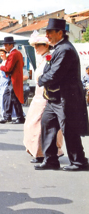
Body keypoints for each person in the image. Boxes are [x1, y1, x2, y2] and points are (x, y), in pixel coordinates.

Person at [34, 18, 89, 171]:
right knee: (47, 124)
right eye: (47, 32)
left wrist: (40, 80)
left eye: (50, 32)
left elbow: (54, 74)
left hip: (66, 97)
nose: (47, 35)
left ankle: (79, 162)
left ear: (60, 33)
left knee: (69, 129)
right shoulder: (60, 48)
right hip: (55, 97)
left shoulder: (65, 49)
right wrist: (45, 77)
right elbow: (50, 72)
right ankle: (51, 160)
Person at [23, 31, 64, 164]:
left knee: (42, 125)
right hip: (38, 96)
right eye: (35, 46)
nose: (36, 48)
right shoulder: (43, 59)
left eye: (39, 45)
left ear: (46, 45)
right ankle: (38, 152)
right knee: (33, 124)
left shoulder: (50, 58)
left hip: (46, 96)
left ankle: (44, 153)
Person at [0, 36, 25, 124]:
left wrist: (0, 66)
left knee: (14, 98)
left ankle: (19, 117)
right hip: (14, 78)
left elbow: (8, 68)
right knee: (7, 96)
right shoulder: (17, 53)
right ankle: (7, 116)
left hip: (14, 79)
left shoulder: (13, 54)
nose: (5, 47)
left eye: (6, 45)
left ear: (10, 45)